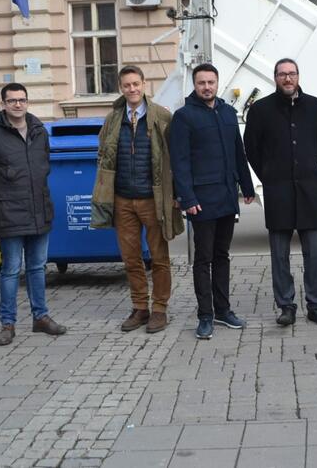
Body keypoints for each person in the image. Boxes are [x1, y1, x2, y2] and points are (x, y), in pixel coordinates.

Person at [0, 83, 66, 346]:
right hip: (9, 213)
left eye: (21, 100)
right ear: (2, 104)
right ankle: (8, 323)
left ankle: (41, 317)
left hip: (39, 211)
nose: (17, 105)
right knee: (11, 270)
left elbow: (43, 168)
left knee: (37, 267)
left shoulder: (39, 132)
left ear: (27, 102)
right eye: (11, 100)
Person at [91, 66, 183, 335]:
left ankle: (160, 309)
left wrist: (175, 195)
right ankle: (140, 307)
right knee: (131, 259)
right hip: (123, 200)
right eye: (126, 85)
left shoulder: (161, 116)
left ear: (144, 84)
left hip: (152, 199)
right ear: (121, 88)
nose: (131, 89)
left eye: (135, 84)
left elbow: (173, 159)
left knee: (159, 258)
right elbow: (102, 154)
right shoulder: (113, 119)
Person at [244, 58, 317, 327]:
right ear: (275, 78)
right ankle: (286, 305)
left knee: (314, 254)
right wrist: (269, 175)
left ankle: (316, 306)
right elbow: (251, 149)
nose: (287, 79)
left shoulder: (316, 107)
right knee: (279, 254)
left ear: (298, 76)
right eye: (282, 74)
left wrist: (307, 168)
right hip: (278, 191)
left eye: (292, 74)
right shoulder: (260, 110)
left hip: (309, 190)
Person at [170, 63, 256, 340]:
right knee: (203, 259)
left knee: (222, 256)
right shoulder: (183, 117)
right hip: (201, 201)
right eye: (201, 83)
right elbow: (180, 162)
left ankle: (223, 310)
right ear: (194, 85)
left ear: (218, 83)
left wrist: (247, 185)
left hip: (227, 196)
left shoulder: (228, 112)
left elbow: (238, 153)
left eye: (211, 82)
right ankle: (205, 316)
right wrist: (187, 198)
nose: (206, 87)